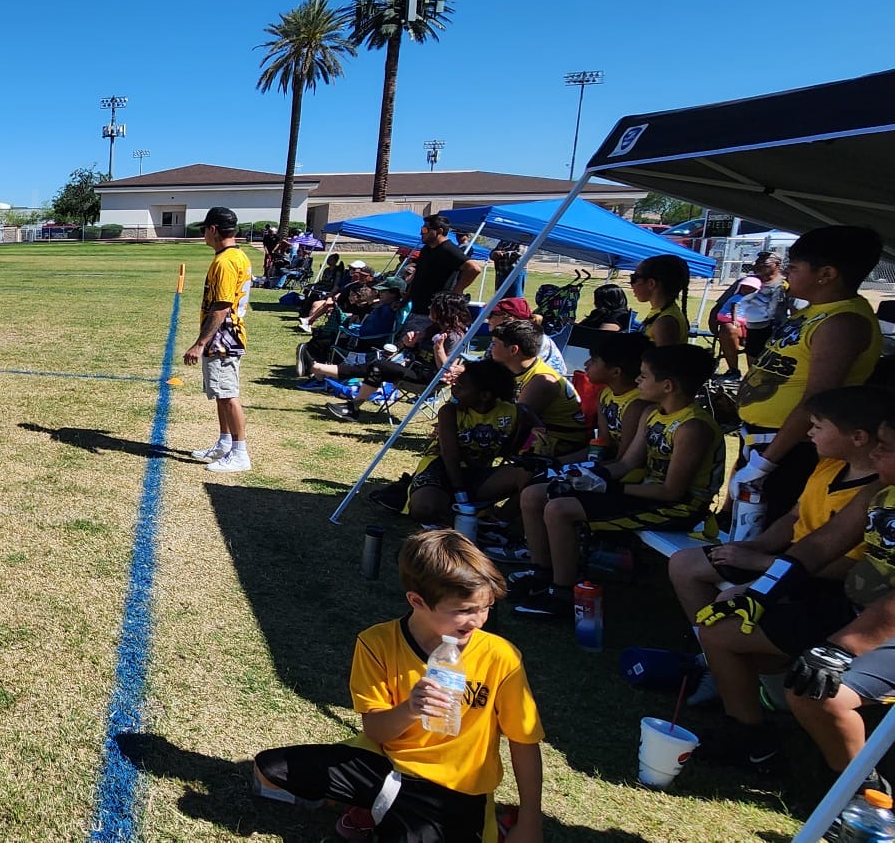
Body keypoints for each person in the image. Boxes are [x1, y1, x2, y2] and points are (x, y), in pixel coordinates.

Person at [254, 530, 545, 842]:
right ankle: (373, 807)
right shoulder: (377, 643)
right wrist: (411, 708)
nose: (478, 620)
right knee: (269, 770)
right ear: (417, 601)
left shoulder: (500, 657)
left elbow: (524, 741)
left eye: (485, 607)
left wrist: (530, 821)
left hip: (454, 790)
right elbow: (376, 731)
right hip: (386, 764)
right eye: (464, 611)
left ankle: (383, 812)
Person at [676, 387, 890, 769]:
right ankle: (753, 740)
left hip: (873, 626)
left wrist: (841, 647)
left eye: (886, 447)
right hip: (849, 610)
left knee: (813, 691)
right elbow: (818, 546)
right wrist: (761, 591)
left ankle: (860, 793)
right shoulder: (878, 492)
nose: (876, 452)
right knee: (718, 631)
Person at [512, 344, 724, 617]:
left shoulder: (693, 427)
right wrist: (582, 475)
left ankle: (562, 594)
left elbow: (672, 492)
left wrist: (609, 487)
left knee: (559, 509)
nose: (638, 380)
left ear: (668, 386)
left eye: (644, 376)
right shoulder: (652, 413)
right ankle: (542, 573)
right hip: (644, 493)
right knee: (536, 494)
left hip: (679, 508)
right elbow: (626, 463)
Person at [735, 226, 883, 534]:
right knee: (744, 528)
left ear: (826, 274)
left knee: (772, 529)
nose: (787, 273)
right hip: (765, 443)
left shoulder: (842, 322)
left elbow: (817, 398)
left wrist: (766, 463)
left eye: (794, 267)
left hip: (792, 448)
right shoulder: (813, 311)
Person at [405, 358, 534, 525]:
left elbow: (536, 431)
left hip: (478, 473)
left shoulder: (513, 413)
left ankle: (500, 523)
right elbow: (450, 456)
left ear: (484, 396)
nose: (453, 390)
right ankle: (451, 510)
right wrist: (460, 494)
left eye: (460, 387)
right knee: (425, 509)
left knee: (530, 474)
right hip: (440, 470)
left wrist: (530, 441)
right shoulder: (449, 412)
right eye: (455, 385)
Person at [315, 291, 469, 421]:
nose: (429, 308)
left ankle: (322, 373)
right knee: (376, 367)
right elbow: (416, 353)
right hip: (414, 369)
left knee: (379, 366)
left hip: (430, 379)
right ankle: (348, 402)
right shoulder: (433, 328)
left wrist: (439, 349)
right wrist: (409, 344)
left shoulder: (455, 336)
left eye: (433, 306)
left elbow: (447, 371)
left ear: (443, 311)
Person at [184, 207, 253, 473]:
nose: (203, 234)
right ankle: (225, 443)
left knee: (228, 396)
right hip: (226, 336)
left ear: (213, 229)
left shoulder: (225, 262)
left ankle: (240, 453)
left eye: (204, 229)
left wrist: (200, 343)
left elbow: (222, 306)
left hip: (224, 338)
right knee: (221, 395)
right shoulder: (237, 256)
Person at [489, 319, 588, 462]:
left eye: (495, 343)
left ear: (513, 350)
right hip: (543, 436)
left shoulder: (541, 381)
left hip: (561, 444)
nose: (491, 347)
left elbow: (516, 423)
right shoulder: (517, 368)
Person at [585, 333, 650, 457]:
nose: (586, 364)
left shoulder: (637, 406)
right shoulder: (604, 394)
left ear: (616, 372)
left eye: (593, 361)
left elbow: (624, 460)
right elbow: (602, 444)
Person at [408, 215, 484, 318]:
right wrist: (405, 300)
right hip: (417, 309)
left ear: (439, 231)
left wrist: (457, 291)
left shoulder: (448, 249)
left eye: (425, 229)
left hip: (435, 313)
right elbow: (418, 276)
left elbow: (474, 268)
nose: (421, 233)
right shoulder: (426, 250)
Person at [487, 298, 566, 377]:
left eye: (491, 314)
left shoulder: (532, 340)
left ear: (510, 319)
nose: (487, 318)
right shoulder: (502, 338)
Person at [632, 254, 691, 347]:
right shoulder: (662, 313)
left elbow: (663, 356)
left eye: (634, 279)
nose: (632, 285)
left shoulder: (665, 322)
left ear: (651, 283)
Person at [710, 272, 762, 377]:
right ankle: (734, 371)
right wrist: (713, 321)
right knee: (729, 329)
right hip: (736, 320)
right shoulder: (740, 293)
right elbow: (724, 307)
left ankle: (755, 376)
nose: (747, 290)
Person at [299, 260, 374, 333]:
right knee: (316, 303)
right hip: (338, 302)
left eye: (354, 269)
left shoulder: (367, 287)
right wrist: (331, 296)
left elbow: (356, 301)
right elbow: (338, 288)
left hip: (349, 308)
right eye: (350, 268)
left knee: (328, 304)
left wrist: (336, 298)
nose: (352, 271)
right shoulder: (349, 280)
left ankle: (309, 321)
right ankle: (308, 323)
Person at [737, 251, 786, 361]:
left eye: (765, 263)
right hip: (754, 329)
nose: (759, 265)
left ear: (777, 265)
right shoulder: (748, 282)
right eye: (758, 262)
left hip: (778, 331)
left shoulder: (787, 284)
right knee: (753, 359)